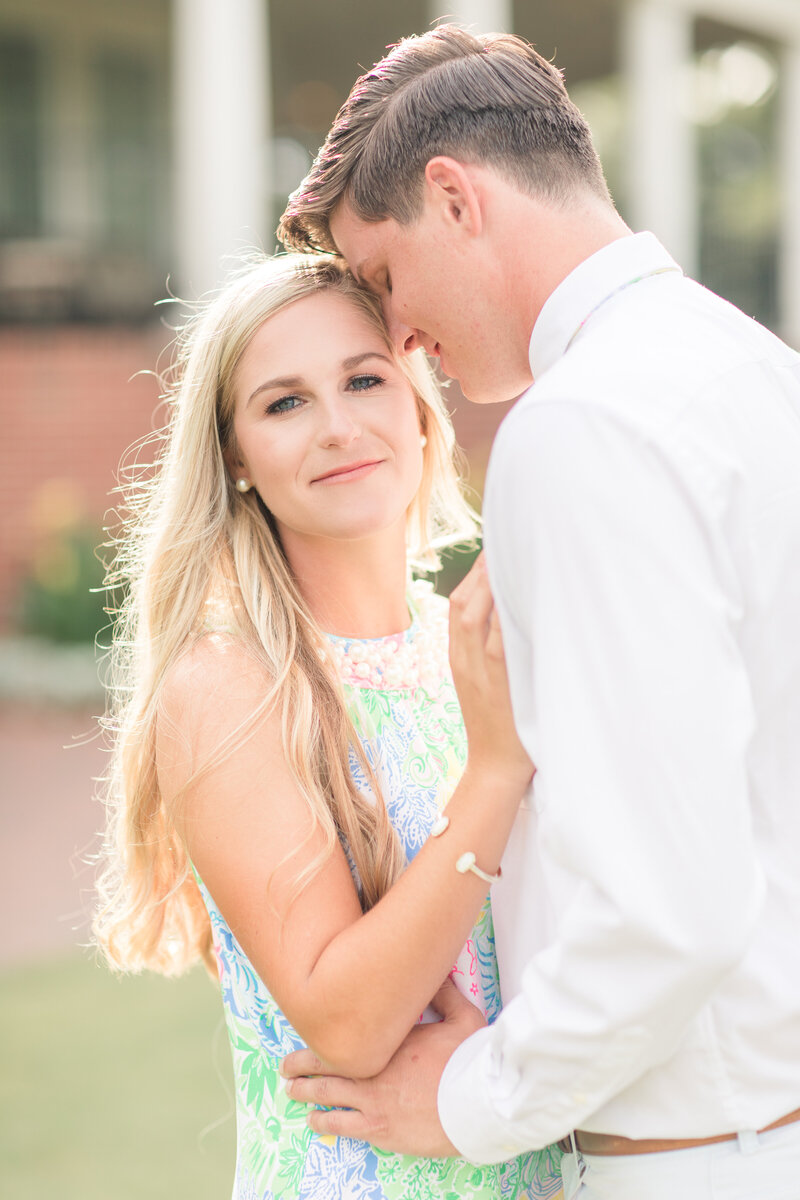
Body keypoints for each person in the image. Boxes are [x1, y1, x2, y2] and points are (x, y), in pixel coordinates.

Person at [276, 24, 800, 1199]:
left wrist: (466, 1099)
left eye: (382, 280)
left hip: (703, 1162)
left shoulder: (578, 427)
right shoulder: (752, 371)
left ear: (452, 197)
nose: (399, 337)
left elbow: (670, 909)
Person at [92, 251, 565, 1200]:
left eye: (362, 379)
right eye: (284, 403)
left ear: (418, 405)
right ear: (234, 457)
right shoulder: (228, 687)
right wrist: (494, 773)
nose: (339, 426)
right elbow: (346, 1024)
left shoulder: (474, 643)